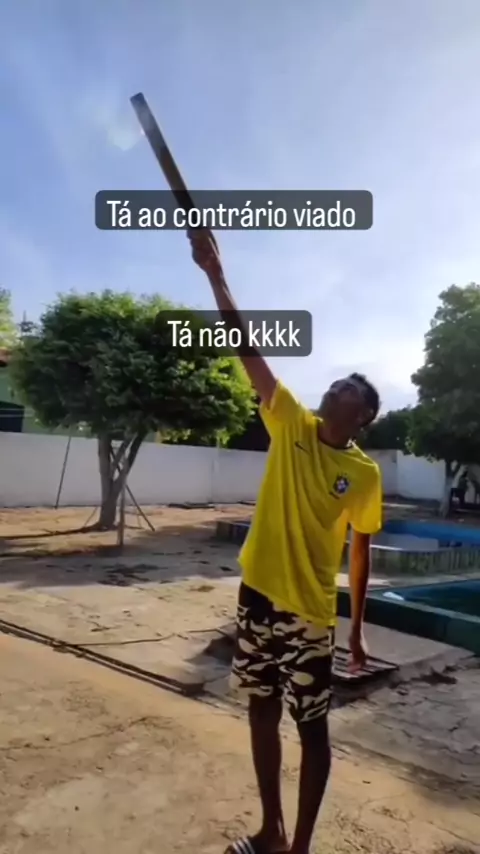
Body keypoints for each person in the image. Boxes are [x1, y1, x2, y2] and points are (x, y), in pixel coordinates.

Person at [188, 229, 382, 854]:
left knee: (313, 726)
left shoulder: (364, 474)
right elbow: (244, 343)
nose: (332, 394)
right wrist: (215, 274)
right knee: (260, 708)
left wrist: (355, 629)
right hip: (257, 598)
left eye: (345, 395)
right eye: (333, 387)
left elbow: (360, 550)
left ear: (362, 417)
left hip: (308, 614)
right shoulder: (290, 419)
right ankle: (271, 831)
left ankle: (300, 847)